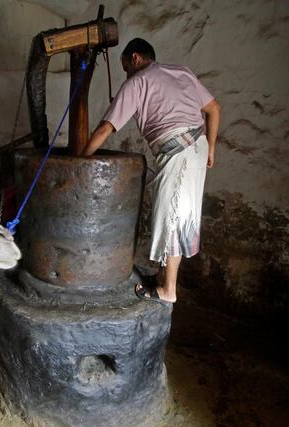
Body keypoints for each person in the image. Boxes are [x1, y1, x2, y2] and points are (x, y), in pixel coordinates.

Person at [82, 38, 221, 304]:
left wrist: (80, 160)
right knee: (179, 212)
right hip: (197, 145)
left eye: (125, 67)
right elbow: (214, 109)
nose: (126, 73)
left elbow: (104, 130)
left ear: (135, 58)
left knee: (172, 218)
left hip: (178, 152)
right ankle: (162, 279)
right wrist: (211, 148)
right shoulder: (181, 71)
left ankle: (169, 290)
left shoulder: (137, 81)